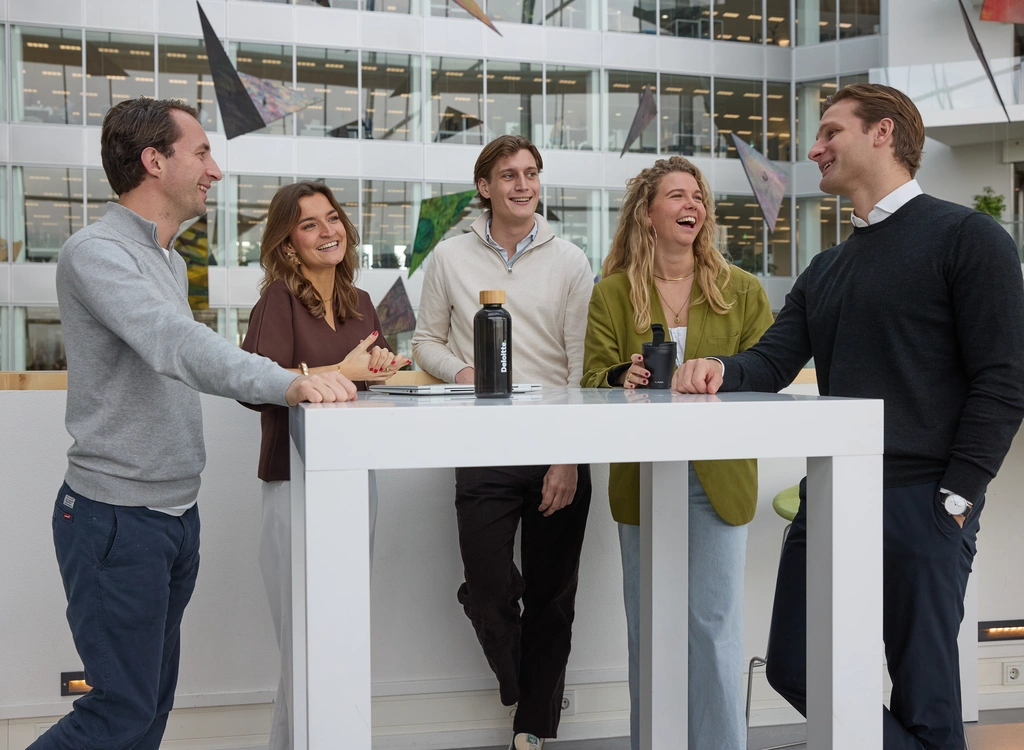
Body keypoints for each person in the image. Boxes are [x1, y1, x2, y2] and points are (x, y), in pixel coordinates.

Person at [673, 83, 1024, 750]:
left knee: (926, 696)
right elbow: (771, 361)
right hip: (832, 496)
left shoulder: (969, 238)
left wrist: (957, 498)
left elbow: (1004, 381)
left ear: (883, 132)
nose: (815, 149)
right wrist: (718, 367)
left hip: (925, 500)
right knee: (794, 668)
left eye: (830, 132)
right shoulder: (826, 267)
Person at [32, 99, 356, 750]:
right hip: (117, 517)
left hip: (175, 515)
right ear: (154, 161)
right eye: (203, 152)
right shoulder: (94, 253)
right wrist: (287, 380)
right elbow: (175, 343)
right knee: (119, 714)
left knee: (149, 710)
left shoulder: (169, 259)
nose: (216, 169)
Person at [581, 155, 773, 750]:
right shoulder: (612, 293)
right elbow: (590, 379)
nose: (692, 205)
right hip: (642, 475)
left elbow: (767, 372)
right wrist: (624, 375)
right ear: (647, 213)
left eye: (698, 197)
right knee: (649, 629)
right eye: (677, 195)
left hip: (720, 475)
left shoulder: (742, 290)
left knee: (713, 628)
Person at [411, 135, 594, 750]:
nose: (523, 184)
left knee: (553, 598)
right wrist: (463, 371)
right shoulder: (449, 257)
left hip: (555, 446)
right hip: (483, 444)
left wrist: (569, 457)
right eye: (509, 175)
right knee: (489, 589)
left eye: (531, 173)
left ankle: (532, 729)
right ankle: (525, 683)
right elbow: (424, 342)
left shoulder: (570, 260)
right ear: (484, 187)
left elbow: (579, 367)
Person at [240, 180, 409, 750]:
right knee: (304, 636)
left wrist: (378, 370)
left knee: (338, 630)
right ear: (287, 243)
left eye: (332, 218)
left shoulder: (361, 302)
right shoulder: (278, 300)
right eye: (309, 224)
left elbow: (360, 388)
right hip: (296, 481)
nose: (327, 231)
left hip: (355, 479)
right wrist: (343, 371)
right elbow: (255, 386)